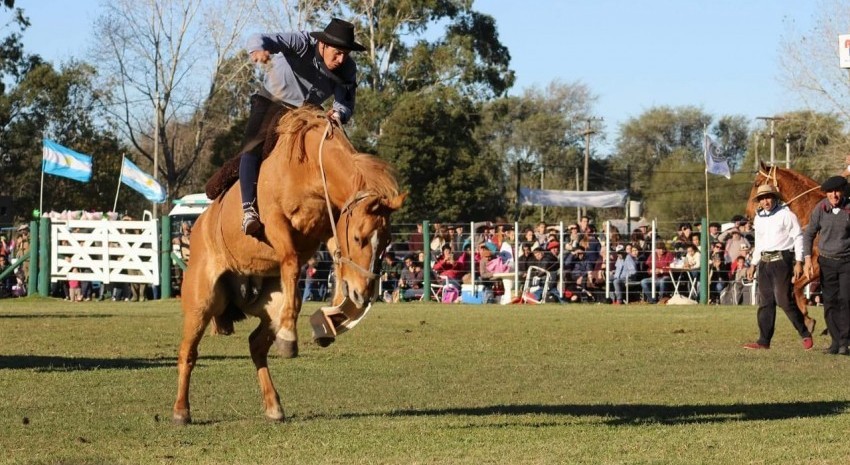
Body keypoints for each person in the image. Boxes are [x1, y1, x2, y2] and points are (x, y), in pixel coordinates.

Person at [239, 18, 366, 235]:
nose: (341, 58)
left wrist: (337, 114)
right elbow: (260, 37)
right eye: (337, 52)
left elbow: (345, 102)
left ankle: (346, 212)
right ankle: (249, 210)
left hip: (308, 112)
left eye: (346, 53)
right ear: (323, 44)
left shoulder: (348, 68)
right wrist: (258, 49)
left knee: (339, 151)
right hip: (272, 101)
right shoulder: (302, 42)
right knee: (252, 146)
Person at [743, 184, 813, 350]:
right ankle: (764, 341)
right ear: (759, 201)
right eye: (762, 198)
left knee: (784, 300)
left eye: (768, 197)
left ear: (775, 197)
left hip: (782, 260)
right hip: (765, 262)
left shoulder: (786, 215)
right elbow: (759, 243)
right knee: (766, 302)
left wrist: (798, 261)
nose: (765, 201)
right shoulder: (758, 218)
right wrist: (753, 263)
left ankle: (804, 333)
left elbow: (798, 237)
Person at [803, 176, 850, 355]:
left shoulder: (848, 208)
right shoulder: (821, 208)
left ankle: (845, 342)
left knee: (845, 300)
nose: (834, 195)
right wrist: (807, 259)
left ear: (843, 192)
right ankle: (835, 342)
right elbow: (809, 234)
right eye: (830, 192)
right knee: (830, 301)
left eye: (837, 191)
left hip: (847, 262)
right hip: (827, 262)